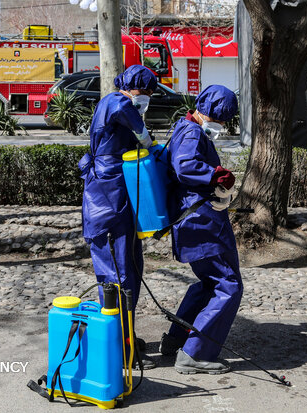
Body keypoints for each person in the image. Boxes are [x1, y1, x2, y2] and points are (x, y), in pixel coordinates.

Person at [160, 85, 243, 374]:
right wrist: (217, 175)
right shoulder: (193, 132)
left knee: (209, 284)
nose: (221, 126)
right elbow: (185, 167)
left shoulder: (185, 127)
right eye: (220, 120)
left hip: (193, 220)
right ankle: (194, 354)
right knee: (228, 285)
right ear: (211, 113)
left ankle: (176, 341)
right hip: (202, 223)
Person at [78, 64, 157, 368]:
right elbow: (142, 133)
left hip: (105, 199)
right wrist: (154, 147)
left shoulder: (108, 101)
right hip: (111, 202)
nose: (148, 97)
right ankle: (122, 350)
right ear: (134, 86)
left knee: (125, 269)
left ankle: (124, 336)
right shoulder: (121, 103)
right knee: (121, 274)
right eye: (147, 91)